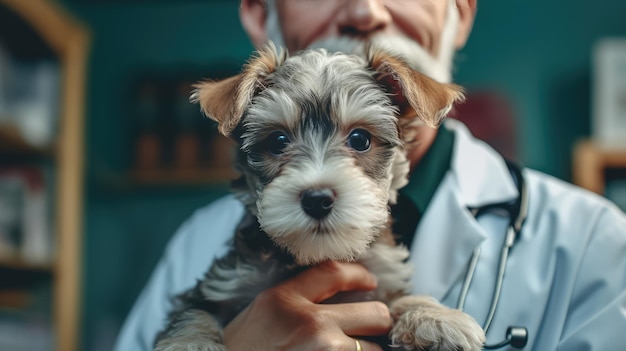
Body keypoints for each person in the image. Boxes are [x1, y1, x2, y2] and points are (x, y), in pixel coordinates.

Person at [114, 1, 626, 350]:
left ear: (463, 8)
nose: (365, 9)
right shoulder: (196, 246)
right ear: (259, 12)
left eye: (359, 140)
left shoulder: (594, 243)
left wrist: (409, 313)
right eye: (279, 142)